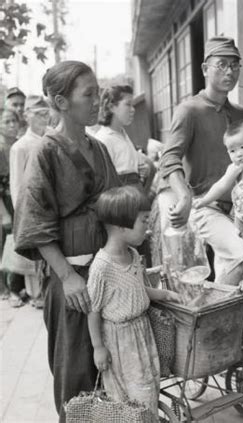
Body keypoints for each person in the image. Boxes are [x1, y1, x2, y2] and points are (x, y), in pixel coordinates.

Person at [13, 61, 121, 422]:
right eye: (88, 94)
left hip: (108, 271)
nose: (97, 101)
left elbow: (117, 202)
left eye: (98, 92)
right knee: (76, 373)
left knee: (113, 368)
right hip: (72, 279)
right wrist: (68, 277)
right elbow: (33, 221)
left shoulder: (99, 148)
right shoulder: (45, 152)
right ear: (60, 102)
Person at [158, 36, 243, 286]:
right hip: (206, 207)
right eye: (221, 64)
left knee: (233, 271)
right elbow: (170, 159)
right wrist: (183, 196)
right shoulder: (189, 110)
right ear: (205, 69)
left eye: (235, 65)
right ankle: (218, 314)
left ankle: (222, 320)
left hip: (240, 210)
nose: (229, 71)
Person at [87, 186, 180, 418]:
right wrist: (98, 347)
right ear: (120, 225)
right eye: (144, 221)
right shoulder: (102, 267)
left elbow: (138, 290)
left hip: (142, 331)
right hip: (120, 340)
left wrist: (165, 295)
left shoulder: (133, 255)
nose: (148, 228)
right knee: (128, 398)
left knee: (148, 389)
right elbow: (93, 310)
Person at [194, 119, 243, 293]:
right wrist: (204, 200)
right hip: (241, 220)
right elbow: (221, 185)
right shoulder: (235, 168)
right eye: (232, 150)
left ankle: (225, 291)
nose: (238, 154)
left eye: (242, 147)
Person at [8, 96, 51, 309]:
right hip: (32, 208)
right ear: (27, 116)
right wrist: (22, 215)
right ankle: (36, 295)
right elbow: (16, 186)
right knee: (34, 257)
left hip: (50, 205)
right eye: (38, 114)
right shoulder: (20, 147)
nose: (44, 117)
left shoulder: (50, 140)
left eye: (46, 112)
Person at [95, 85, 155, 192]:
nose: (133, 110)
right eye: (128, 104)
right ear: (111, 107)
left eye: (133, 105)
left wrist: (141, 170)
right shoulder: (103, 140)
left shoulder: (123, 134)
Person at [0, 106, 27, 306]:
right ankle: (7, 290)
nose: (11, 125)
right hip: (4, 202)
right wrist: (4, 214)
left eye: (13, 121)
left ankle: (18, 286)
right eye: (6, 121)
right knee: (4, 245)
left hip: (17, 200)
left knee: (17, 243)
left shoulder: (19, 145)